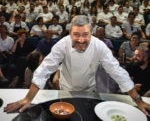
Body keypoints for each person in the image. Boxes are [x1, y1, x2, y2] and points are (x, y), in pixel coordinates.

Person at [4, 15, 150, 116]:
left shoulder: (99, 46)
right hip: (66, 91)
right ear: (69, 33)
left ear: (91, 33)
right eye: (76, 35)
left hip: (90, 91)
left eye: (85, 34)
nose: (81, 40)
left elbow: (117, 72)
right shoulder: (62, 44)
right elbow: (44, 69)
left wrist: (138, 100)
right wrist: (27, 99)